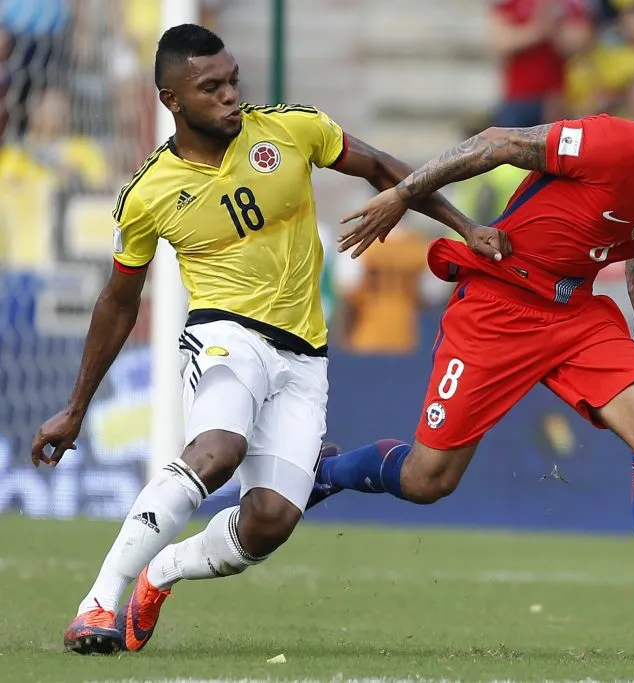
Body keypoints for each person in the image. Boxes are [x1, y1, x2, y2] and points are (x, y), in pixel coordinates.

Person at [31, 23, 505, 656]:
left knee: (270, 522)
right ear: (172, 100)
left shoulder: (290, 129)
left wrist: (463, 225)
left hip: (304, 354)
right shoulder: (148, 193)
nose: (231, 95)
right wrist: (76, 407)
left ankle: (161, 571)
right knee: (217, 450)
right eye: (211, 87)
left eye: (233, 80)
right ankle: (96, 604)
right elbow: (118, 301)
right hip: (224, 334)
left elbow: (379, 166)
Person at [308, 103, 634, 660]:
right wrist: (402, 196)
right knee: (427, 479)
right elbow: (496, 143)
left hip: (573, 313)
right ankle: (325, 473)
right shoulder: (616, 145)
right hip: (498, 302)